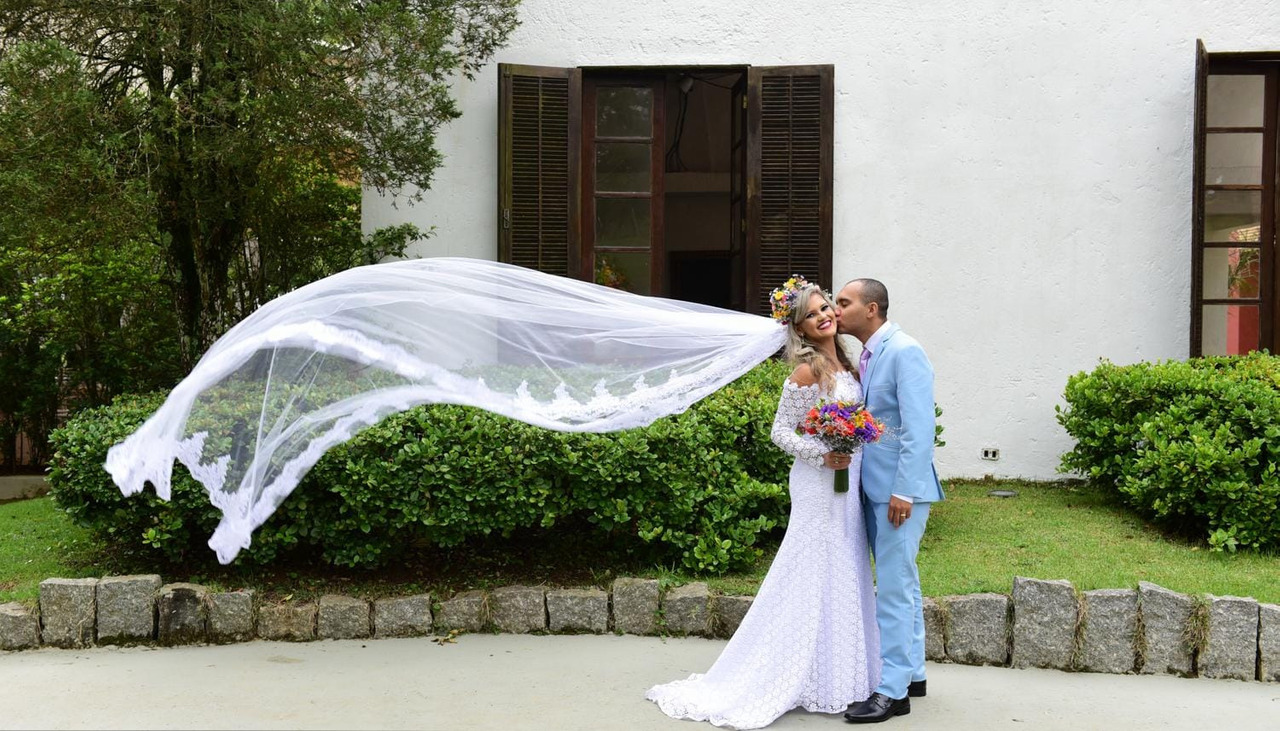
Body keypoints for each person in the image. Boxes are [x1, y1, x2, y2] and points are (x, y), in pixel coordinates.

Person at [646, 277, 879, 729]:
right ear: (800, 328)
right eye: (811, 315)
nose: (823, 316)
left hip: (847, 482)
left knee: (843, 566)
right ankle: (786, 669)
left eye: (824, 308)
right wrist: (821, 455)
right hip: (818, 482)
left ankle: (837, 671)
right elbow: (780, 432)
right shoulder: (807, 371)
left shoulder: (847, 362)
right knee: (813, 568)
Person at [834, 279, 944, 725]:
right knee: (904, 582)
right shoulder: (869, 352)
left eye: (844, 302)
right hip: (876, 487)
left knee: (894, 589)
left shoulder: (904, 350)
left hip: (899, 493)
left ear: (871, 308)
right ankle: (913, 673)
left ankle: (892, 691)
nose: (836, 310)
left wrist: (904, 490)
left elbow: (919, 428)